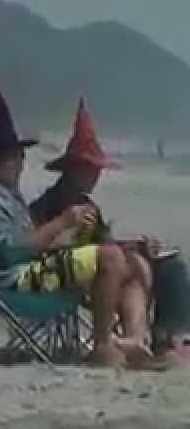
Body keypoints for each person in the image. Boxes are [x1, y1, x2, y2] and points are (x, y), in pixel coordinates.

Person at [0, 86, 152, 369]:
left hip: (34, 270)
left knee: (131, 264)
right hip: (15, 281)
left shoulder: (8, 196)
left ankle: (134, 341)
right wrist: (63, 222)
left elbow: (30, 243)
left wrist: (64, 239)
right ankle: (102, 345)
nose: (21, 165)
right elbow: (11, 250)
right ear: (0, 160)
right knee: (110, 258)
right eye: (18, 157)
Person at [30, 98, 190, 366]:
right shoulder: (50, 206)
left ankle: (144, 341)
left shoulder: (87, 205)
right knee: (144, 268)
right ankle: (157, 341)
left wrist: (135, 245)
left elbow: (104, 241)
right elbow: (49, 247)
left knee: (167, 265)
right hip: (76, 274)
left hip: (103, 268)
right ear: (74, 169)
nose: (96, 176)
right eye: (91, 169)